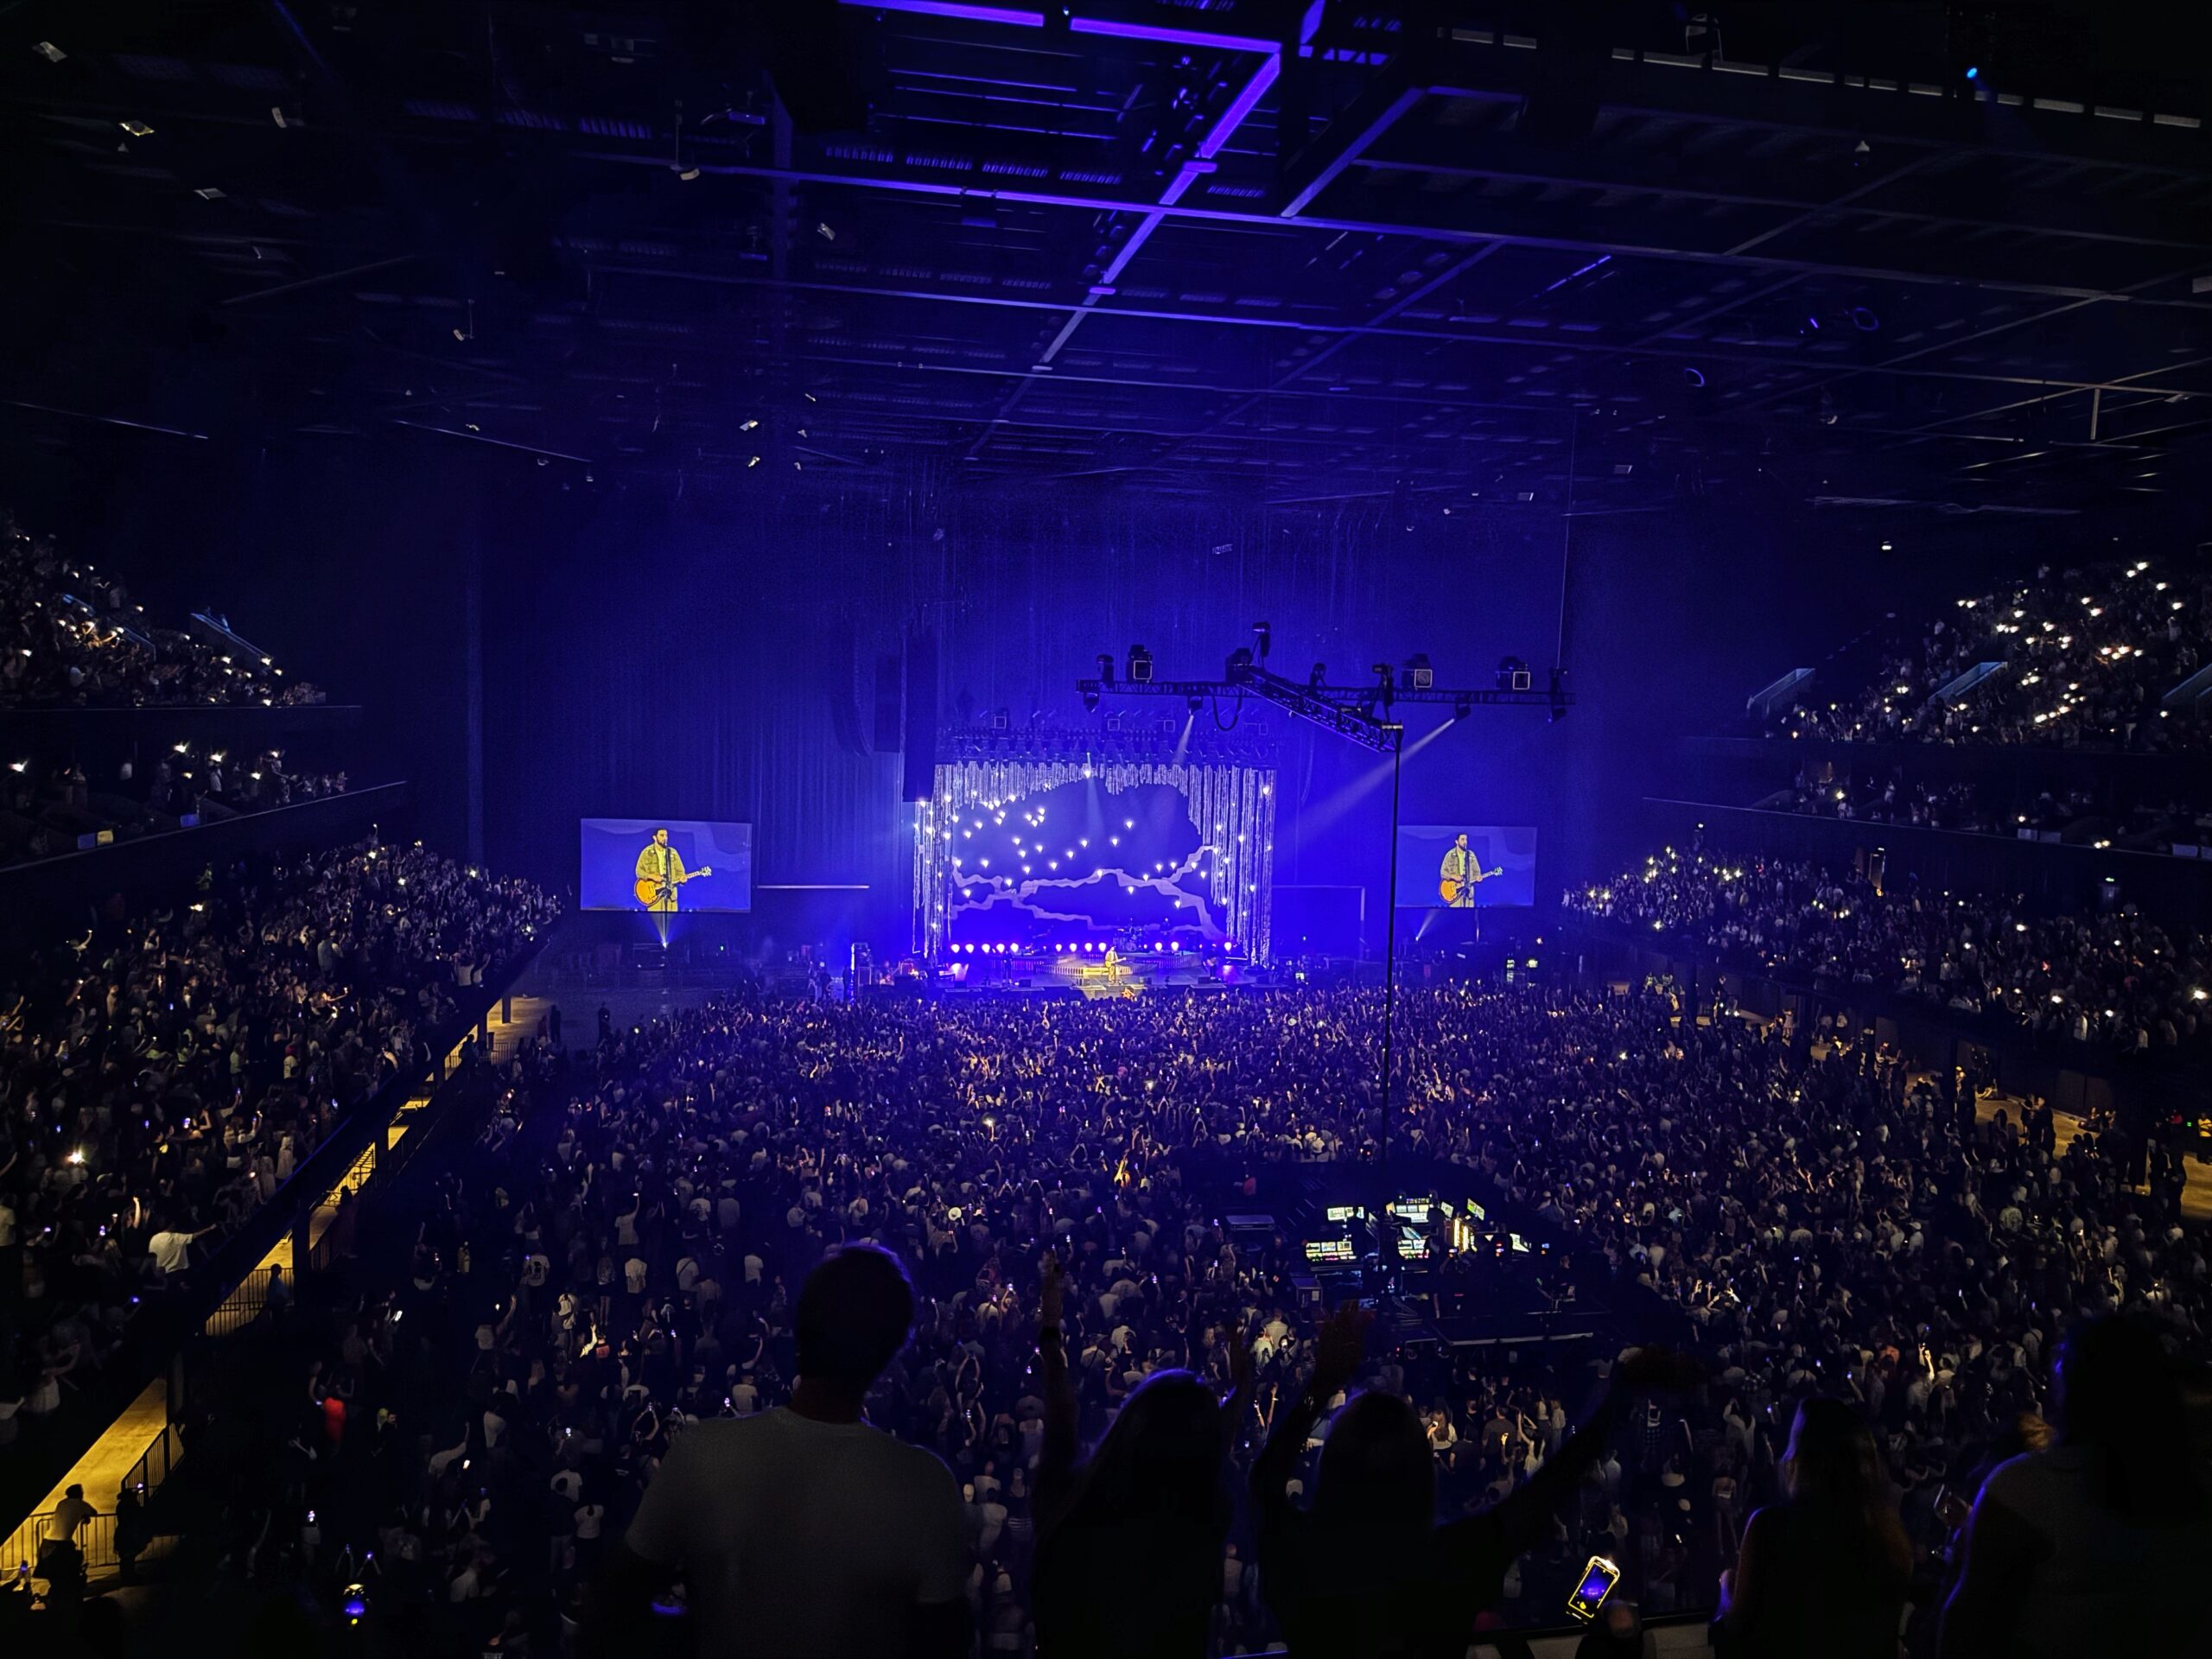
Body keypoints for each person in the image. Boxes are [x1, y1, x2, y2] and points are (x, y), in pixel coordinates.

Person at [588, 1243, 968, 1659]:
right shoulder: (926, 1488)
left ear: (801, 1331)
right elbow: (944, 1643)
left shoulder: (703, 1454)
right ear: (893, 1351)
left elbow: (611, 1606)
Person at [1253, 1304, 1694, 1659]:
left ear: (1332, 1470)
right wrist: (1621, 1392)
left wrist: (1322, 1382)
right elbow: (1555, 1482)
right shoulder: (1452, 1560)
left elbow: (1264, 1482)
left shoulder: (1298, 1555)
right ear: (1420, 1476)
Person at [1939, 1315, 2212, 1658]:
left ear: (2072, 1391)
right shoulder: (2196, 1492)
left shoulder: (2025, 1488)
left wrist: (1964, 1548)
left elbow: (1965, 1629)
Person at [1030, 1253, 1247, 1659]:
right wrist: (1244, 1383)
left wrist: (1050, 1329)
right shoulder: (1196, 1523)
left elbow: (1061, 1416)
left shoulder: (1069, 1503)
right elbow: (1212, 1445)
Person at [1714, 1398, 1909, 1658]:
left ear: (1801, 1457)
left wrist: (1727, 1585)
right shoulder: (1889, 1538)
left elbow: (1736, 1628)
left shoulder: (1770, 1527)